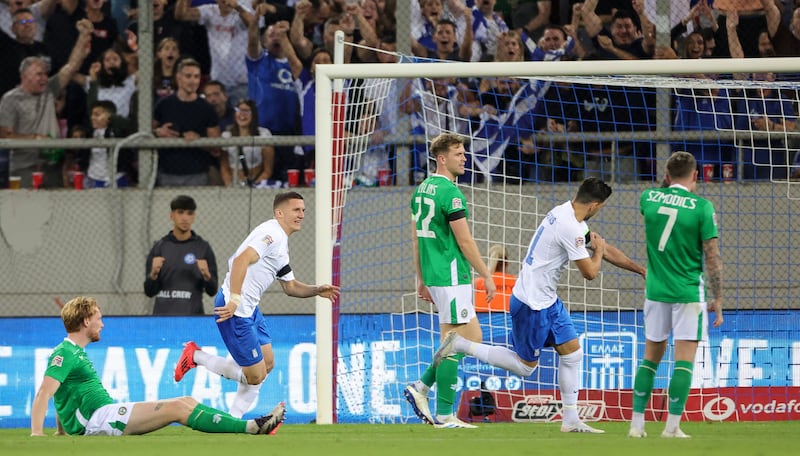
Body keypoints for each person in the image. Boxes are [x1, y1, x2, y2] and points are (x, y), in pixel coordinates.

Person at [434, 177, 646, 432]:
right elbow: (590, 272)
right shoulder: (571, 228)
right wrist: (597, 252)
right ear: (595, 206)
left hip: (548, 300)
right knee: (525, 367)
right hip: (531, 303)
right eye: (601, 207)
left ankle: (570, 420)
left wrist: (640, 270)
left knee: (573, 353)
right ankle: (460, 344)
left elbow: (605, 248)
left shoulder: (563, 212)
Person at [174, 192, 339, 418]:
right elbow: (242, 259)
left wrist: (316, 290)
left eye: (303, 210)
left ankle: (234, 419)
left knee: (267, 364)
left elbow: (290, 287)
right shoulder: (271, 233)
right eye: (296, 210)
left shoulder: (281, 243)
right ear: (279, 213)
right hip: (235, 309)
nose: (301, 215)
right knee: (255, 376)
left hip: (249, 308)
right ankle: (195, 357)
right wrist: (234, 299)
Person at [30, 296, 285, 436]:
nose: (102, 324)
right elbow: (45, 393)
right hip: (100, 420)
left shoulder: (73, 353)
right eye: (99, 318)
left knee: (187, 401)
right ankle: (251, 427)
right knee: (177, 408)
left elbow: (61, 395)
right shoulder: (65, 353)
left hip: (105, 414)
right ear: (86, 321)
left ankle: (248, 425)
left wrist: (62, 432)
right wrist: (37, 434)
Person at [402, 133, 498, 429]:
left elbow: (417, 239)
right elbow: (465, 241)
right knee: (457, 343)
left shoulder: (421, 190)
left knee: (466, 339)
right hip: (452, 275)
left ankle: (421, 387)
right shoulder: (451, 193)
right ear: (442, 158)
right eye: (458, 154)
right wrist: (485, 274)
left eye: (464, 153)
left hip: (435, 275)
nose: (464, 158)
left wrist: (421, 278)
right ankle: (444, 414)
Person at [628, 151, 724, 439]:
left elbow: (658, 197)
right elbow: (712, 258)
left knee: (649, 359)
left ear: (667, 175)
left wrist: (667, 186)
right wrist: (717, 299)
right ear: (695, 175)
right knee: (684, 361)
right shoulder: (702, 208)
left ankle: (636, 425)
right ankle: (671, 427)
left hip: (655, 291)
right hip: (687, 293)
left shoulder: (649, 198)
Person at [0, 19, 93, 189]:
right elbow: (5, 136)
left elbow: (71, 67)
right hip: (24, 169)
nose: (44, 78)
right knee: (26, 213)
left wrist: (83, 35)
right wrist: (35, 139)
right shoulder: (10, 99)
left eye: (45, 74)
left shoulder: (49, 89)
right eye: (39, 74)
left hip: (53, 167)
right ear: (24, 76)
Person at [144, 195, 219, 315]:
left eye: (189, 213)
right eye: (180, 212)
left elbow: (212, 290)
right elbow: (149, 291)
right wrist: (153, 275)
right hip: (163, 318)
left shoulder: (203, 248)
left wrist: (206, 275)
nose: (185, 218)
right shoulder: (159, 247)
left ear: (194, 217)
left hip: (192, 318)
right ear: (171, 215)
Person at [152, 58, 220, 186]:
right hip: (167, 171)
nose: (193, 81)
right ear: (178, 78)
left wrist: (199, 140)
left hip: (197, 172)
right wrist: (158, 133)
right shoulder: (163, 104)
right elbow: (147, 133)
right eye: (188, 76)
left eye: (196, 76)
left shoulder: (206, 108)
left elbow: (216, 144)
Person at [474, 244, 515, 313]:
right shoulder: (516, 283)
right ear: (506, 263)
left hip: (480, 321)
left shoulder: (476, 283)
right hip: (508, 322)